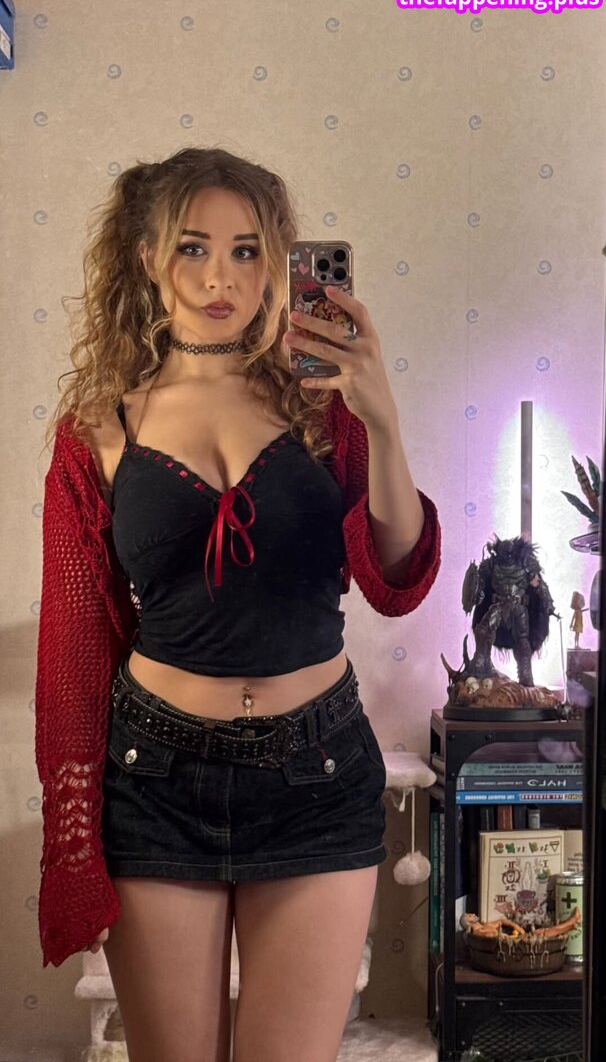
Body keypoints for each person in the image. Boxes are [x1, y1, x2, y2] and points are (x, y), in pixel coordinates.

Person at [35, 147, 441, 1062]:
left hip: (317, 775)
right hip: (155, 778)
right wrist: (73, 839)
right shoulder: (98, 429)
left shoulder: (326, 408)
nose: (221, 278)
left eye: (247, 250)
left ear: (279, 262)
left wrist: (382, 419)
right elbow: (73, 652)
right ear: (148, 257)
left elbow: (396, 574)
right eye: (194, 247)